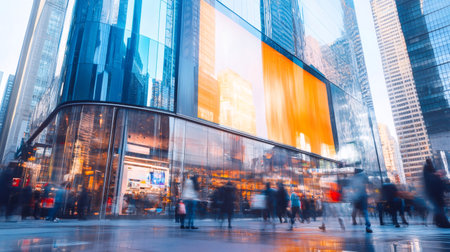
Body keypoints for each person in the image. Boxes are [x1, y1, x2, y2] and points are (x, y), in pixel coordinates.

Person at [423, 158, 450, 228]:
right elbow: (443, 186)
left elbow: (443, 186)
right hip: (434, 195)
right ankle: (443, 222)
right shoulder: (431, 176)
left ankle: (440, 222)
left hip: (436, 195)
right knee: (439, 209)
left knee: (439, 209)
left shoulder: (433, 176)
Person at [350, 168, 372, 233]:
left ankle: (354, 221)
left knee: (355, 209)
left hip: (356, 196)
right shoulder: (364, 176)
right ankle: (368, 226)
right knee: (365, 211)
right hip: (363, 195)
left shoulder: (353, 177)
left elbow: (352, 188)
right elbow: (368, 185)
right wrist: (369, 194)